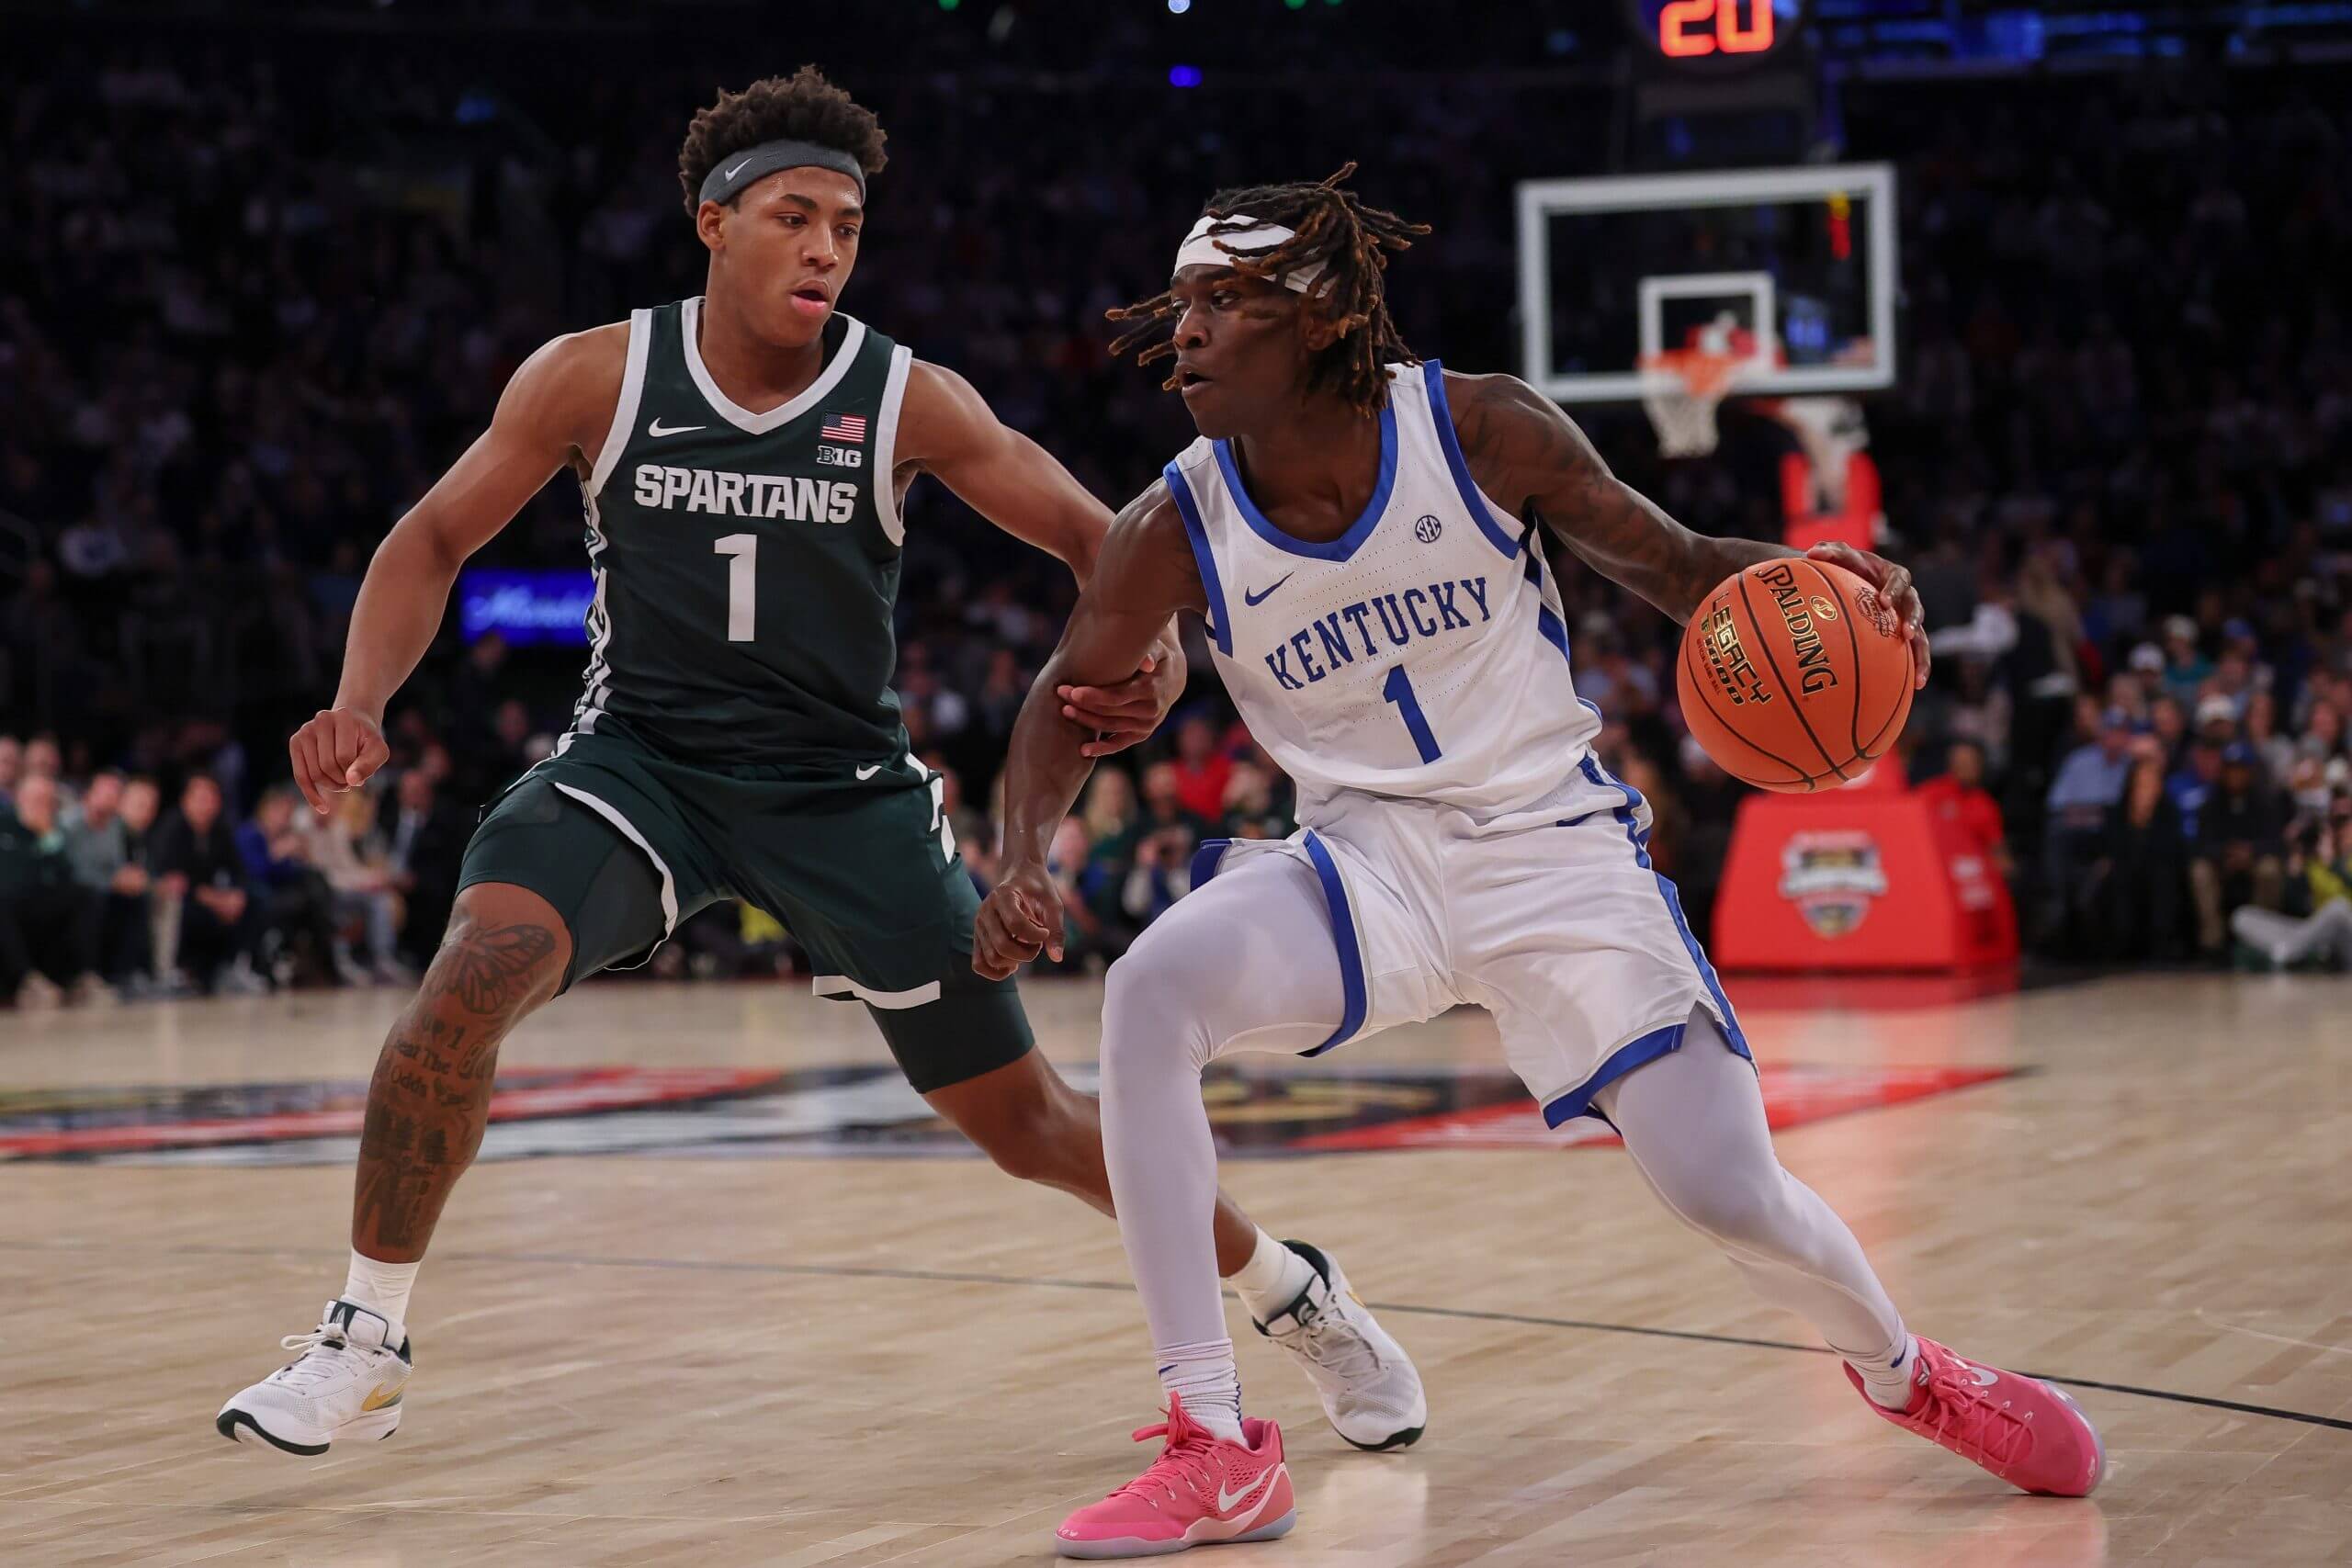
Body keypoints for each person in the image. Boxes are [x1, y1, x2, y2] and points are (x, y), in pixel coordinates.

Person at [219, 73, 1415, 1460]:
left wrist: (1147, 649)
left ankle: (1290, 1287)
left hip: (842, 791)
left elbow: (1108, 539)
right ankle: (363, 1339)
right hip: (640, 767)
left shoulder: (904, 394)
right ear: (715, 223)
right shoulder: (595, 374)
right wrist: (360, 697)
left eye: (848, 224)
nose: (827, 248)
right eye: (795, 216)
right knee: (460, 990)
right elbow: (430, 539)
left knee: (1027, 1121)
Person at [974, 169, 2102, 1558]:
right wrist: (1022, 852)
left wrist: (1836, 586)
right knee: (1151, 990)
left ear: (1321, 316)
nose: (1184, 334)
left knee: (1729, 1189)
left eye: (1224, 301)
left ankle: (1908, 1369)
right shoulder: (1176, 523)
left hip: (1555, 853)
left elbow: (1687, 565)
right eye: (1183, 303)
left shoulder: (1480, 428)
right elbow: (1058, 703)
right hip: (1366, 865)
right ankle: (1217, 1441)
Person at [148, 773, 265, 995]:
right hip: (185, 899)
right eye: (199, 797)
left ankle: (233, 967)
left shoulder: (220, 830)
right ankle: (182, 971)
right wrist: (214, 899)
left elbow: (239, 869)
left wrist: (236, 895)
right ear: (186, 800)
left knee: (256, 899)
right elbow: (173, 878)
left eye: (210, 797)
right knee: (189, 911)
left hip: (213, 897)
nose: (205, 803)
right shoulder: (172, 828)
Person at [0, 773, 109, 1007]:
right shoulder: (4, 825)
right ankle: (27, 981)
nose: (41, 805)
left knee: (85, 895)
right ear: (19, 798)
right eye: (36, 798)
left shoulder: (54, 830)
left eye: (47, 800)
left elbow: (66, 874)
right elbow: (12, 877)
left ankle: (83, 977)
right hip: (10, 904)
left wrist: (48, 837)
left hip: (41, 903)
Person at [2190, 742, 2286, 957]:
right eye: (2231, 769)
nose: (2235, 775)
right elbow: (2201, 844)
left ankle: (2259, 939)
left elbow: (2277, 843)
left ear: (2249, 772)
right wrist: (2225, 853)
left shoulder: (2264, 801)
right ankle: (2212, 943)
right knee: (2200, 871)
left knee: (2269, 870)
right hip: (2220, 863)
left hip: (2254, 861)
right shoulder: (2212, 802)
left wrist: (2250, 851)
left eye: (2240, 769)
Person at [62, 770, 155, 987]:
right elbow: (73, 870)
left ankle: (129, 973)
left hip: (107, 889)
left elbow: (117, 864)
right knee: (94, 900)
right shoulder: (70, 825)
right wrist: (113, 881)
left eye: (115, 793)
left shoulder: (115, 826)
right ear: (89, 793)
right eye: (105, 791)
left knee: (137, 899)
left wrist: (129, 877)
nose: (110, 797)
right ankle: (87, 973)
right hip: (77, 890)